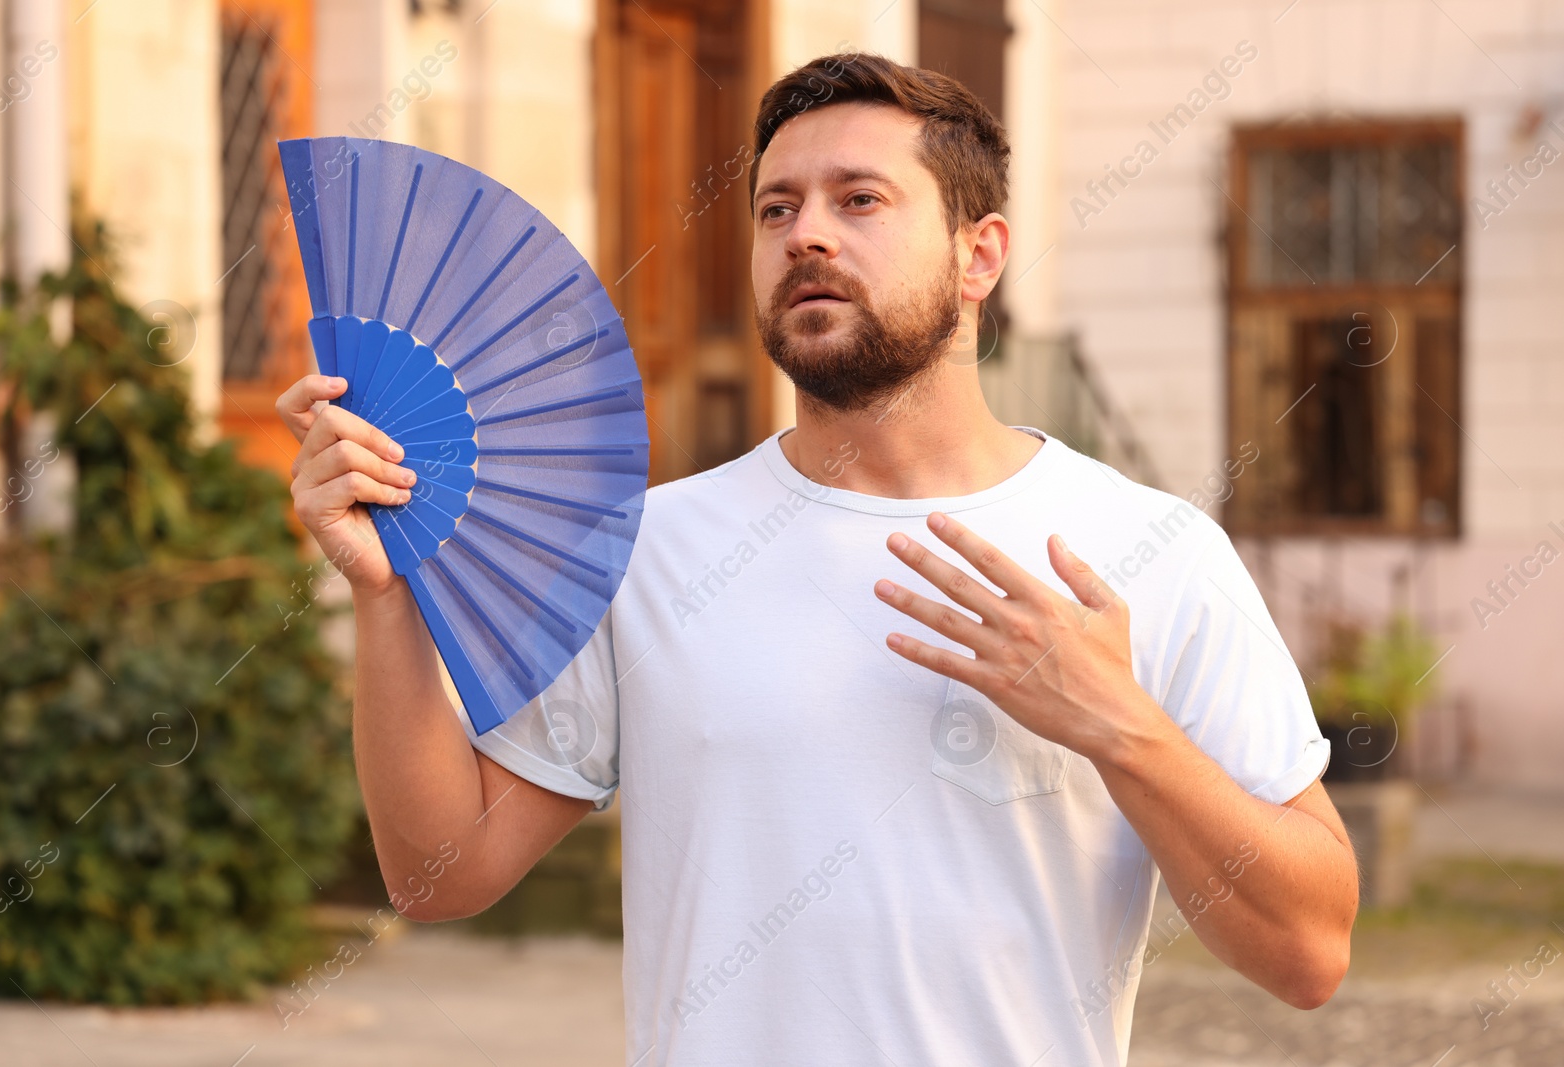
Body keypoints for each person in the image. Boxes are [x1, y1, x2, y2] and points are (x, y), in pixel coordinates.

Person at [276, 51, 1357, 1067]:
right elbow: (439, 873)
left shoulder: (1148, 550)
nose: (806, 236)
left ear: (980, 254)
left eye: (860, 200)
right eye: (776, 208)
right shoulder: (651, 549)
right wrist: (387, 596)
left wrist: (1118, 724)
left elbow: (1308, 952)